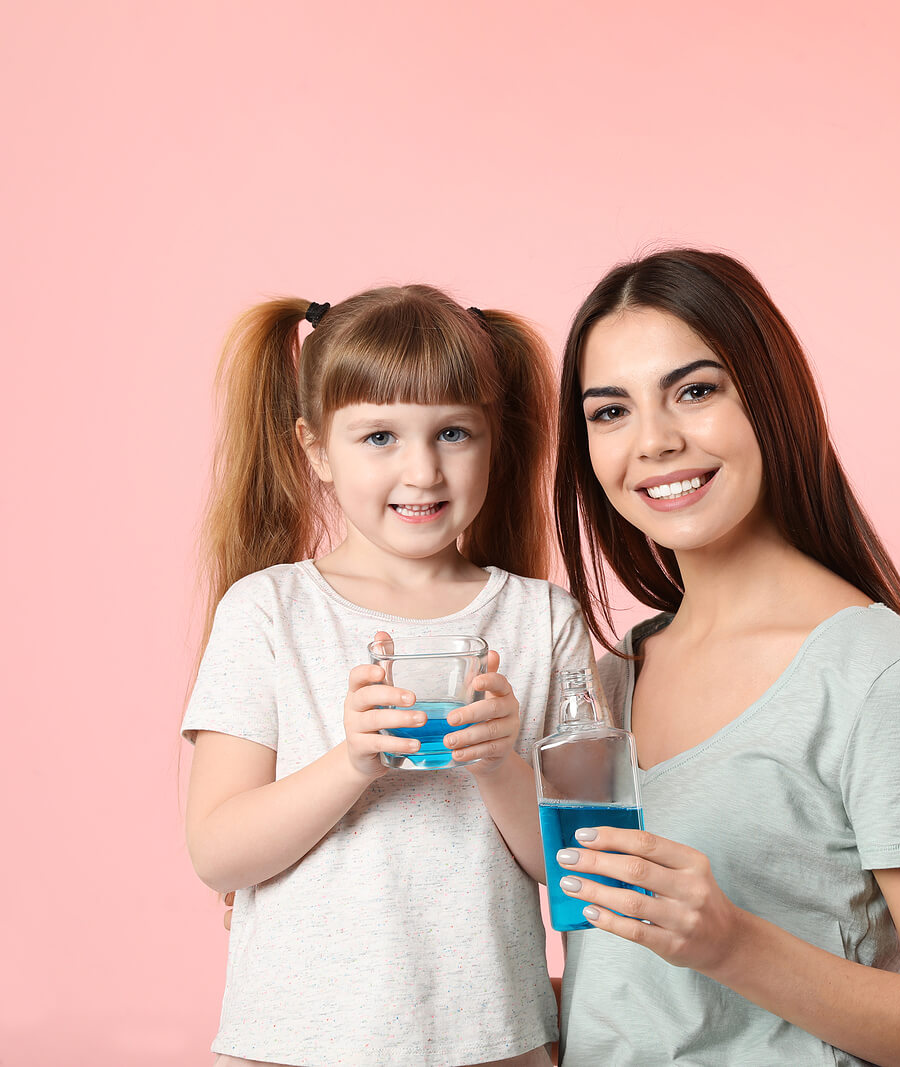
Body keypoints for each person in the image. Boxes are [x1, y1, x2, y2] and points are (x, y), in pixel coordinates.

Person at [549, 249, 900, 1065]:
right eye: (610, 411)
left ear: (769, 397)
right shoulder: (612, 676)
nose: (654, 441)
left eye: (695, 391)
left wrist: (730, 942)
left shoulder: (878, 677)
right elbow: (626, 996)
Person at [183, 286, 590, 1067]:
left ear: (493, 439)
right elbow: (217, 850)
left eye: (453, 431)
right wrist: (352, 761)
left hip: (493, 1043)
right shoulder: (267, 611)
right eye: (379, 435)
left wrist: (498, 764)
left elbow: (575, 867)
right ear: (316, 450)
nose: (423, 468)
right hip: (293, 1046)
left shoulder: (543, 622)